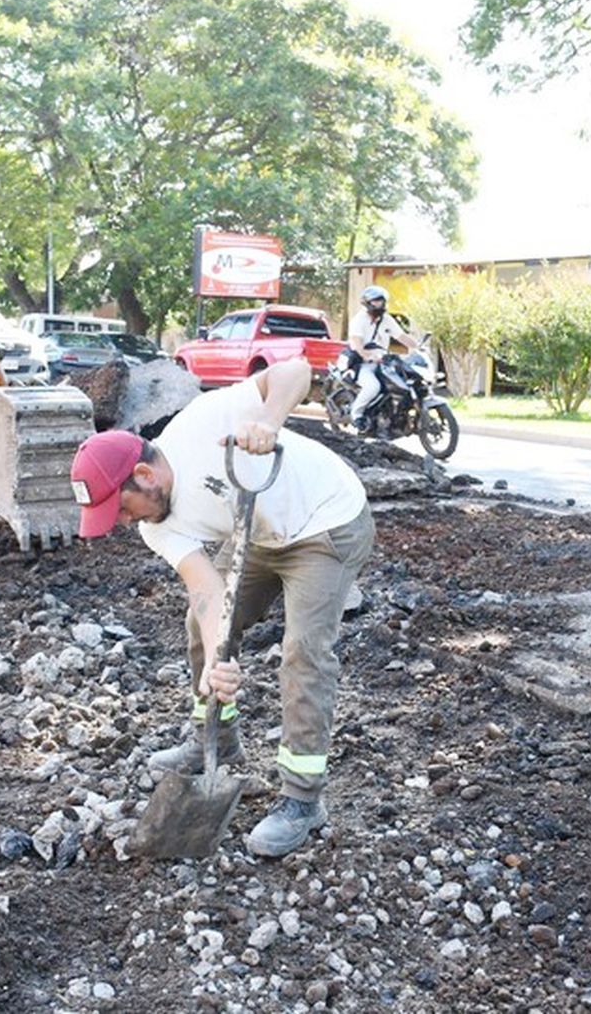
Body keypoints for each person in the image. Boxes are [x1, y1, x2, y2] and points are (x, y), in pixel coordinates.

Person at [70, 357, 374, 857]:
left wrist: (269, 419)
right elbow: (208, 591)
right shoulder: (156, 525)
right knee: (202, 628)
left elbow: (295, 370)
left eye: (122, 508)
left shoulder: (203, 421)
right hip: (256, 532)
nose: (124, 522)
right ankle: (216, 737)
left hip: (326, 522)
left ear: (144, 475)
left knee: (303, 651)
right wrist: (217, 661)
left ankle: (302, 799)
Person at [347, 285, 421, 432]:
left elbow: (401, 336)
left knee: (400, 382)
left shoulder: (386, 319)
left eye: (381, 301)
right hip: (362, 362)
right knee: (373, 386)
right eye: (376, 302)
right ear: (367, 303)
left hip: (383, 361)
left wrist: (418, 346)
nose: (379, 305)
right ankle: (356, 415)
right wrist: (367, 355)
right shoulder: (359, 320)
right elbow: (357, 344)